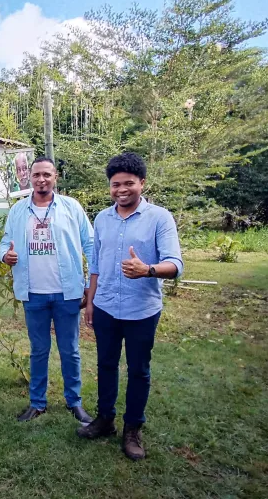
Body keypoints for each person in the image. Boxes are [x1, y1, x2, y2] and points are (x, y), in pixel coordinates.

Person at [76, 152, 183, 461]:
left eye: (128, 184)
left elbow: (175, 264)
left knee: (139, 370)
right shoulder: (102, 218)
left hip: (142, 309)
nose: (121, 190)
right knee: (106, 365)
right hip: (107, 306)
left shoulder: (159, 218)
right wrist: (91, 302)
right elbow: (95, 264)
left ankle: (132, 429)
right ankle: (105, 420)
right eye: (115, 184)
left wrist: (147, 269)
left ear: (142, 183)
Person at [0, 157, 95, 425]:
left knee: (70, 350)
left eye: (47, 175)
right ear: (30, 177)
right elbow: (5, 243)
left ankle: (74, 402)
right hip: (34, 293)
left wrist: (90, 285)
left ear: (56, 177)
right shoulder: (18, 211)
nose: (41, 179)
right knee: (38, 350)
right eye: (36, 175)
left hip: (67, 292)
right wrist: (5, 255)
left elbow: (90, 244)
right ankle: (37, 402)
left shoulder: (71, 208)